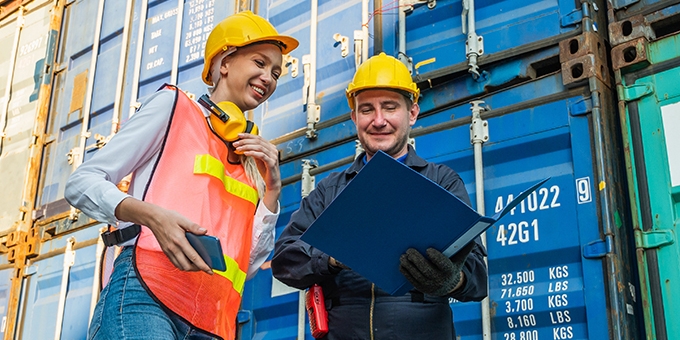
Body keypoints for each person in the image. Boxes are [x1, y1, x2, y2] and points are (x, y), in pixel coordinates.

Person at [65, 11, 298, 340]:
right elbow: (81, 183)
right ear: (225, 62)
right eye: (259, 63)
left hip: (213, 320)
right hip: (146, 296)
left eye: (276, 72)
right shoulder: (174, 107)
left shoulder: (255, 160)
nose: (269, 78)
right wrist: (153, 217)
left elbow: (247, 262)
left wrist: (272, 190)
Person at [271, 52, 488, 339]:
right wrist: (334, 257)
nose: (378, 120)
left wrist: (452, 280)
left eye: (389, 107)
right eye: (367, 110)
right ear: (354, 117)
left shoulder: (441, 181)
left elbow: (478, 279)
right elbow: (284, 262)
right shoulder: (330, 190)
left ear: (412, 113)